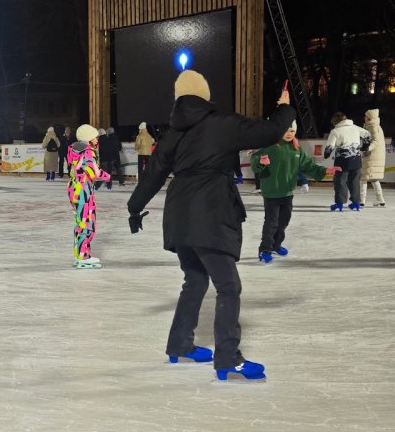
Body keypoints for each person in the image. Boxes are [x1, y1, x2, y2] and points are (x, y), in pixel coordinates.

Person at [126, 69, 295, 382]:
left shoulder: (173, 133)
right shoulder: (222, 124)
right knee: (228, 286)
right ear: (204, 95)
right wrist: (285, 107)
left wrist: (134, 208)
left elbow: (153, 175)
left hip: (180, 215)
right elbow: (270, 131)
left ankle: (180, 344)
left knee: (195, 279)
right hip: (211, 211)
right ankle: (228, 357)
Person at [250, 121, 339, 263]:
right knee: (271, 223)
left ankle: (276, 245)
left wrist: (324, 171)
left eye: (292, 131)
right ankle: (265, 249)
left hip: (287, 192)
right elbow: (255, 159)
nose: (289, 134)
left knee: (284, 221)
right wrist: (261, 161)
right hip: (272, 192)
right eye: (286, 130)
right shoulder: (270, 146)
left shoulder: (296, 149)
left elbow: (308, 166)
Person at [67, 124, 111, 269]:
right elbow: (95, 173)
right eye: (95, 136)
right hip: (83, 190)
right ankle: (83, 257)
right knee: (87, 223)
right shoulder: (87, 151)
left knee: (80, 223)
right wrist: (108, 176)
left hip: (74, 189)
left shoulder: (75, 149)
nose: (97, 138)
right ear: (88, 137)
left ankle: (80, 254)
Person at [324, 111, 371, 212]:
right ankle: (356, 203)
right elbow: (367, 135)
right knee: (355, 182)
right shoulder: (355, 127)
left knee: (340, 181)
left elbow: (330, 146)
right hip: (356, 160)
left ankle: (339, 203)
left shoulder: (335, 131)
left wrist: (326, 154)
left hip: (342, 161)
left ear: (335, 122)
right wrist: (364, 147)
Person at [361, 109, 387, 207]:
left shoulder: (373, 127)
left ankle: (361, 200)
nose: (364, 117)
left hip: (371, 155)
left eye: (365, 116)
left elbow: (375, 141)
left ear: (369, 118)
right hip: (375, 155)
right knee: (374, 178)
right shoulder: (374, 126)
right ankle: (380, 199)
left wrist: (367, 148)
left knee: (363, 177)